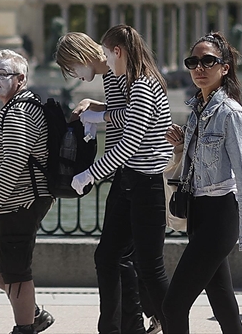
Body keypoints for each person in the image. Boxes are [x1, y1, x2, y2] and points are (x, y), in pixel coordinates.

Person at [70, 26, 173, 333]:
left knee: (150, 268)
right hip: (132, 181)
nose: (105, 61)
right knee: (112, 256)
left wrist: (90, 173)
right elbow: (124, 120)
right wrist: (97, 115)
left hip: (146, 183)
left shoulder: (143, 85)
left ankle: (171, 325)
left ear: (118, 52)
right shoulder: (138, 82)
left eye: (106, 52)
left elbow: (129, 143)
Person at [163, 33, 242, 333]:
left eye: (208, 61)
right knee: (223, 304)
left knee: (173, 305)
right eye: (193, 61)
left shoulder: (231, 114)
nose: (199, 68)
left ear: (225, 67)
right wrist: (183, 144)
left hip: (220, 215)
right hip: (198, 212)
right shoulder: (197, 110)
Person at [55, 31, 150, 334]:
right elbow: (120, 111)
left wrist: (98, 116)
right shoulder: (109, 72)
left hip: (136, 170)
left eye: (72, 67)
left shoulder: (119, 69)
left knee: (119, 257)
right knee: (123, 257)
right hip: (125, 170)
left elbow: (130, 116)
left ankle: (129, 323)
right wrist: (94, 108)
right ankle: (131, 322)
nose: (74, 75)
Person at [0, 50, 55, 334]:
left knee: (15, 271)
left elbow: (13, 162)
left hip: (17, 203)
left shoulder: (20, 110)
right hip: (4, 205)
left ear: (20, 78)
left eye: (3, 74)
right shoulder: (12, 107)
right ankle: (34, 314)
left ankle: (25, 327)